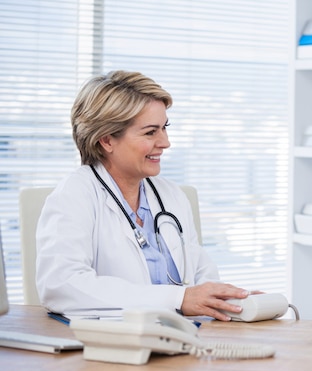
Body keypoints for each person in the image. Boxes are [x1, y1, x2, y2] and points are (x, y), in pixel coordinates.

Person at [36, 70, 251, 320]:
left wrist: (231, 300)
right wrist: (177, 299)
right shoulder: (75, 195)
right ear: (106, 140)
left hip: (182, 340)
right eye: (150, 132)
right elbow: (61, 285)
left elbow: (202, 274)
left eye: (164, 128)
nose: (165, 142)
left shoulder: (171, 196)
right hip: (112, 346)